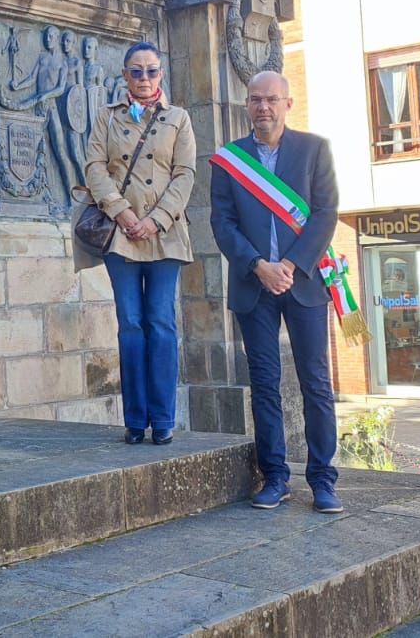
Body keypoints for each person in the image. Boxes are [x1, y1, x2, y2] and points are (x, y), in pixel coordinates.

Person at [208, 70, 342, 514]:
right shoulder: (229, 160)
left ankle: (323, 481)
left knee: (316, 384)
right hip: (253, 285)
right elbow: (221, 224)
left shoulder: (314, 150)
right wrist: (258, 266)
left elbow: (325, 214)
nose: (262, 107)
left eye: (271, 100)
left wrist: (288, 264)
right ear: (247, 105)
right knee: (264, 385)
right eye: (255, 100)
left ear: (287, 104)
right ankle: (276, 478)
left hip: (302, 283)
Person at [83, 42, 195, 447]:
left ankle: (163, 420)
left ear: (161, 75)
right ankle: (135, 420)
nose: (144, 79)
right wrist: (122, 213)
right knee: (131, 325)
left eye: (151, 71)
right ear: (125, 76)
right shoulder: (106, 118)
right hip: (121, 234)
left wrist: (154, 220)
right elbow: (94, 168)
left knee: (161, 324)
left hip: (165, 235)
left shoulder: (178, 119)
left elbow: (185, 174)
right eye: (136, 71)